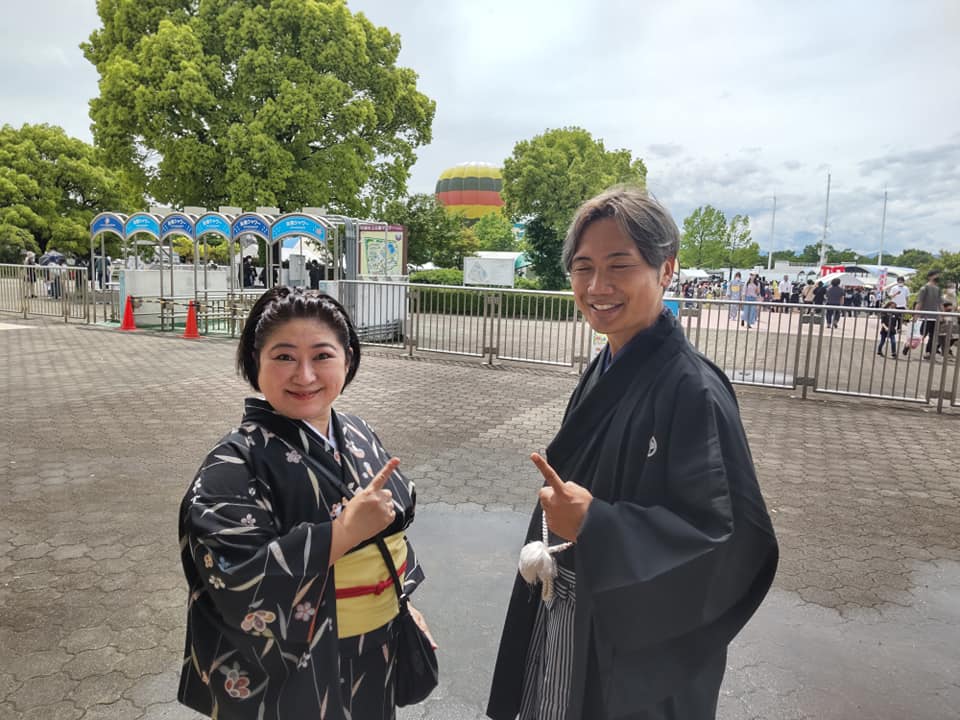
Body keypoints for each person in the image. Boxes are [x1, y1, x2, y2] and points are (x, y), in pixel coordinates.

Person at [487, 187, 778, 720]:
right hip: (572, 608)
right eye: (583, 268)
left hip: (639, 650)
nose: (598, 286)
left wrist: (596, 524)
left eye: (619, 265)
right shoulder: (604, 367)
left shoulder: (694, 390)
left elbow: (730, 543)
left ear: (666, 269)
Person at [178, 287, 434, 720]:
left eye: (322, 356)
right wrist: (343, 533)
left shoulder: (358, 431)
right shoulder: (234, 462)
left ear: (347, 359)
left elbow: (388, 539)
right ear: (255, 362)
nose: (305, 375)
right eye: (284, 357)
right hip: (296, 668)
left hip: (376, 649)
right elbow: (234, 574)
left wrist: (401, 602)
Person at [914, 269, 943, 359]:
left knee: (933, 336)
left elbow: (940, 303)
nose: (937, 277)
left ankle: (928, 352)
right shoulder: (924, 288)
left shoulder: (938, 289)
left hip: (935, 316)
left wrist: (943, 314)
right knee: (922, 334)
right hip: (925, 316)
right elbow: (920, 302)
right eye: (936, 275)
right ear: (930, 277)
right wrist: (916, 314)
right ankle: (909, 344)